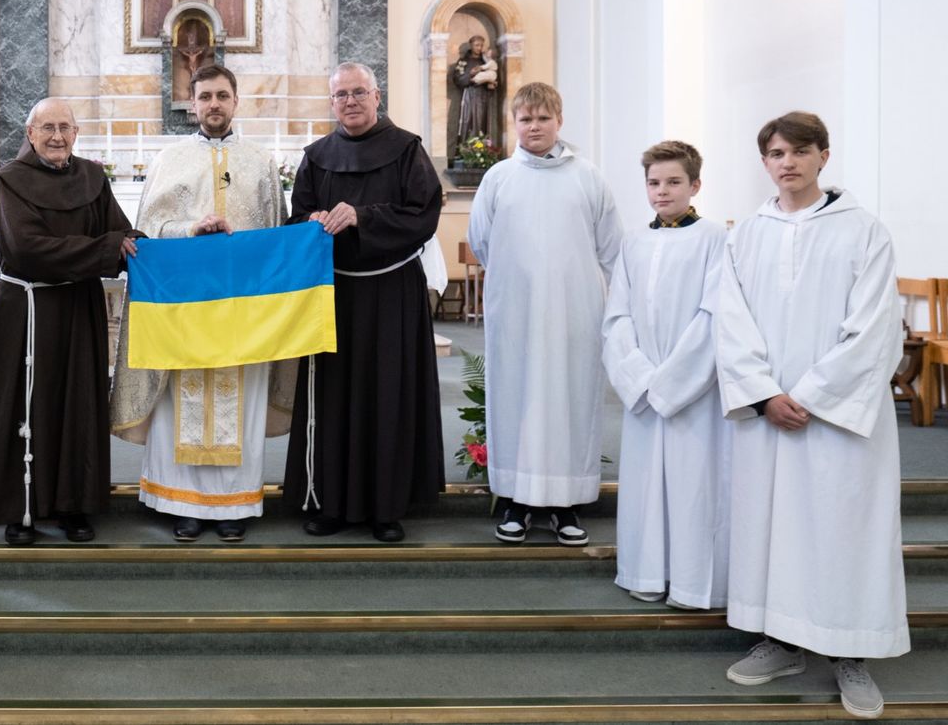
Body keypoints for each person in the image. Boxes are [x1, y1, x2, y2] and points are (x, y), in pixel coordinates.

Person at [715, 111, 906, 720]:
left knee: (844, 527)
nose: (787, 162)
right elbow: (730, 317)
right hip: (770, 414)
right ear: (764, 162)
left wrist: (815, 395)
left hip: (837, 421)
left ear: (824, 155)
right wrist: (764, 392)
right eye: (775, 153)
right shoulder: (745, 233)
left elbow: (874, 328)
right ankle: (781, 640)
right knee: (770, 525)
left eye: (800, 151)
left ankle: (851, 653)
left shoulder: (864, 231)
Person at [111, 65, 293, 542]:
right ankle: (182, 504)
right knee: (180, 401)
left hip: (244, 310)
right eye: (205, 96)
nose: (214, 104)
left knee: (243, 397)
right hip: (184, 309)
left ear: (236, 101)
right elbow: (146, 234)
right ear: (191, 104)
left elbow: (277, 236)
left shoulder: (261, 162)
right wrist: (190, 230)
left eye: (222, 96)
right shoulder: (169, 160)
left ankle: (233, 505)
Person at [282, 63, 444, 542]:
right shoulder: (317, 156)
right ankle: (331, 502)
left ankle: (386, 507)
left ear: (377, 96)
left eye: (358, 93)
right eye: (340, 95)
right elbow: (295, 218)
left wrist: (363, 217)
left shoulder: (407, 150)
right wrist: (311, 220)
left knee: (388, 396)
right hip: (332, 292)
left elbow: (423, 215)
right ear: (331, 103)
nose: (350, 102)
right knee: (334, 399)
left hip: (392, 292)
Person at [0, 97, 140, 545]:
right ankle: (19, 508)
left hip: (77, 308)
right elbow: (28, 249)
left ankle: (74, 506)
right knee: (23, 405)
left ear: (76, 132)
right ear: (30, 134)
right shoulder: (11, 180)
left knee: (77, 405)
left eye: (65, 127)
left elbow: (120, 232)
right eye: (47, 127)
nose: (56, 136)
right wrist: (106, 249)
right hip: (27, 309)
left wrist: (143, 244)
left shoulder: (91, 176)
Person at [468, 81, 621, 547]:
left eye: (543, 118)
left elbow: (609, 246)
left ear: (559, 121)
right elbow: (482, 241)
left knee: (570, 400)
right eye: (526, 119)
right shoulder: (499, 178)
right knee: (516, 398)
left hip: (575, 311)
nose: (534, 127)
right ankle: (517, 500)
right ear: (513, 124)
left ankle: (566, 503)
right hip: (515, 310)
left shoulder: (588, 177)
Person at [601, 140, 729, 609]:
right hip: (645, 387)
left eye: (674, 182)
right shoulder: (635, 242)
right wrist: (638, 376)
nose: (662, 191)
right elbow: (617, 317)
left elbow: (714, 315)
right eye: (654, 183)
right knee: (646, 487)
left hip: (691, 390)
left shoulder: (715, 239)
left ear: (695, 185)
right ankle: (647, 571)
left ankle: (693, 582)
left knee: (693, 484)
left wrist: (672, 382)